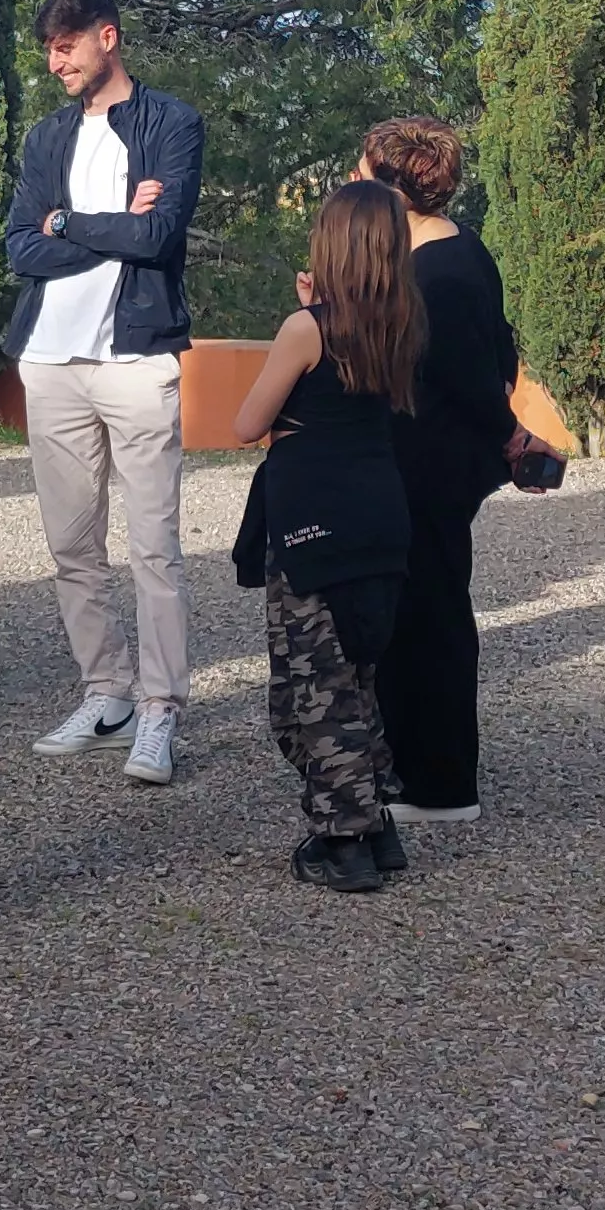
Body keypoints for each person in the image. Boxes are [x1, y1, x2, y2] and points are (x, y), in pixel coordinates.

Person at [0, 0, 205, 786]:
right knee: (70, 547)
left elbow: (157, 235)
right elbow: (21, 247)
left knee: (155, 546)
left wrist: (68, 223)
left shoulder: (171, 123)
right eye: (49, 49)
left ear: (107, 38)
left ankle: (160, 709)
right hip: (48, 358)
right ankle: (106, 691)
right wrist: (99, 226)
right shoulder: (45, 139)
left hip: (137, 355)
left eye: (66, 46)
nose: (55, 63)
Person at [227, 181, 423, 893]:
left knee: (311, 691)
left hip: (314, 528)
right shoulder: (404, 324)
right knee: (357, 676)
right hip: (380, 519)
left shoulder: (306, 328)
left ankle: (342, 840)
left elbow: (247, 424)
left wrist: (306, 311)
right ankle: (375, 821)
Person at [356, 118, 526, 824]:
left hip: (431, 467)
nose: (355, 183)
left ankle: (443, 785)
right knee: (414, 615)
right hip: (422, 463)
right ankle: (413, 765)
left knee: (431, 618)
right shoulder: (452, 254)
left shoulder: (441, 275)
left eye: (363, 173)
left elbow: (481, 382)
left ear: (394, 187)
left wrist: (508, 438)